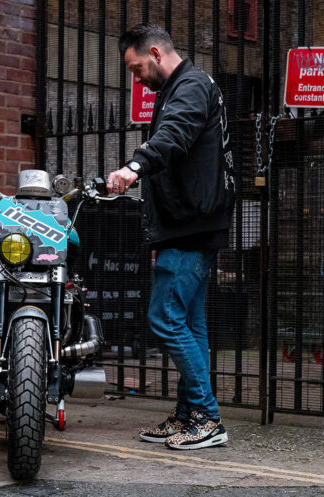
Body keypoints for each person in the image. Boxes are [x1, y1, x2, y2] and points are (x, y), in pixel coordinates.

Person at [108, 23, 234, 450]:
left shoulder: (192, 86)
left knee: (165, 317)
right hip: (187, 224)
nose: (136, 77)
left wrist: (134, 166)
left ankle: (206, 417)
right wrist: (158, 237)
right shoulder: (180, 88)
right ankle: (188, 416)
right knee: (190, 324)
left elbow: (175, 135)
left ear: (157, 53)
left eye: (136, 67)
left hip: (193, 224)